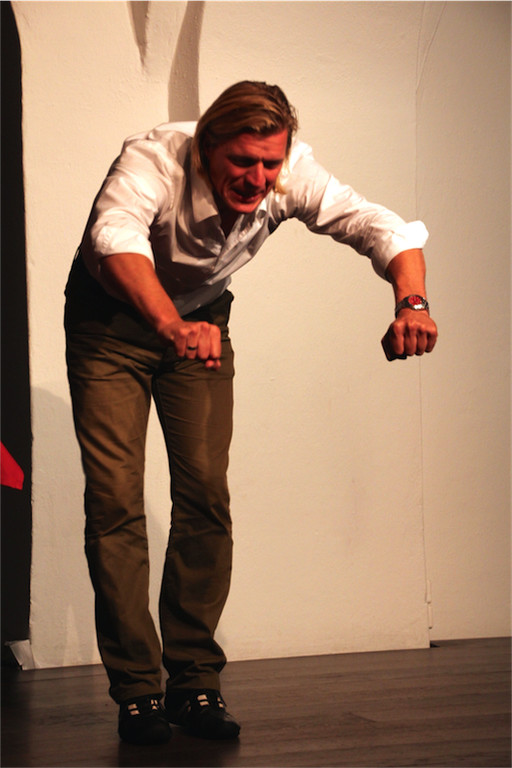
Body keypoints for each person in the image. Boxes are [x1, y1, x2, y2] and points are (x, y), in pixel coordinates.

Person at [64, 81, 438, 746]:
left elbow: (376, 225)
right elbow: (113, 235)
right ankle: (139, 692)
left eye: (269, 163)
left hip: (200, 321)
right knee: (115, 501)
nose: (257, 178)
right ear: (208, 146)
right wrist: (168, 325)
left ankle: (194, 682)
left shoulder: (289, 173)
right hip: (111, 323)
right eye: (242, 161)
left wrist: (411, 302)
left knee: (205, 494)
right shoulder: (154, 158)